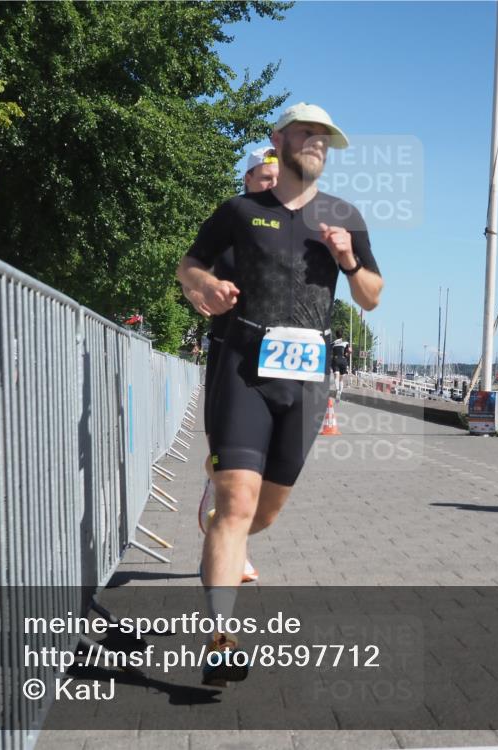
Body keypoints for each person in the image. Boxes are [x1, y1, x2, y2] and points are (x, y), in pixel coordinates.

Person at [177, 102, 383, 685]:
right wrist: (205, 286)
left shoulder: (344, 215)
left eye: (325, 137)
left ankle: (220, 530)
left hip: (307, 380)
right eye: (307, 133)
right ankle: (220, 638)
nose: (316, 142)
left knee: (261, 514)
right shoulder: (241, 210)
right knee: (238, 504)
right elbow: (187, 264)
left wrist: (347, 260)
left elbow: (371, 295)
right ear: (279, 140)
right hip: (243, 366)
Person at [186, 146, 279, 584]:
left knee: (264, 473)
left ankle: (226, 522)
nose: (272, 187)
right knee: (237, 472)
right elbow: (192, 270)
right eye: (264, 178)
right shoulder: (231, 223)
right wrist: (199, 290)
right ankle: (229, 549)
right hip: (232, 355)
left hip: (282, 370)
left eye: (278, 180)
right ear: (246, 179)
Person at [330, 329, 349, 401]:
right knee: (341, 379)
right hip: (343, 360)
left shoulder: (333, 343)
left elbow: (328, 349)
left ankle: (337, 390)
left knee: (336, 377)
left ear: (336, 335)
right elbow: (349, 351)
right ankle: (340, 393)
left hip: (335, 360)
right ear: (342, 335)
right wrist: (346, 355)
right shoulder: (346, 343)